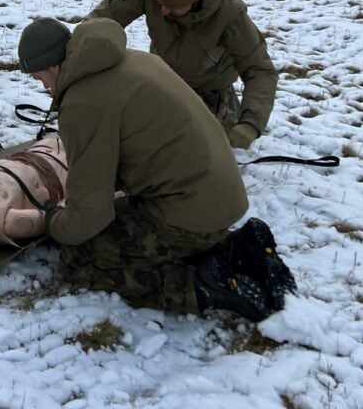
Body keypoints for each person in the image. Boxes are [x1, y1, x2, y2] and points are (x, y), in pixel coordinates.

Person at [17, 16, 296, 321]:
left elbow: (89, 216)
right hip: (222, 197)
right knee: (120, 219)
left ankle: (206, 288)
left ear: (54, 66)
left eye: (39, 77)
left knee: (80, 257)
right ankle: (235, 250)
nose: (43, 86)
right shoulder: (133, 60)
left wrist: (54, 223)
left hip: (189, 214)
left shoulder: (84, 103)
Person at [89, 0, 277, 150]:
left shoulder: (229, 13)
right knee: (127, 127)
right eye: (160, 3)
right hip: (160, 79)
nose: (163, 11)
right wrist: (78, 56)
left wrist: (250, 125)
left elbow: (260, 70)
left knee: (187, 146)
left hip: (208, 90)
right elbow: (103, 20)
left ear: (194, 2)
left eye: (172, 7)